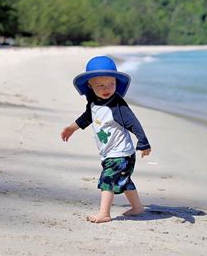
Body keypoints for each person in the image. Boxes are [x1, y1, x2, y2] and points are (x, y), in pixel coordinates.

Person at [61, 55, 151, 223]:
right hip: (109, 152)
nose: (106, 88)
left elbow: (133, 123)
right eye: (100, 85)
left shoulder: (118, 105)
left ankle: (104, 213)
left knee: (107, 179)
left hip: (121, 153)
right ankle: (137, 207)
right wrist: (72, 128)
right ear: (90, 84)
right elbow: (87, 117)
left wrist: (143, 142)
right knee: (124, 181)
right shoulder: (94, 102)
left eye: (111, 83)